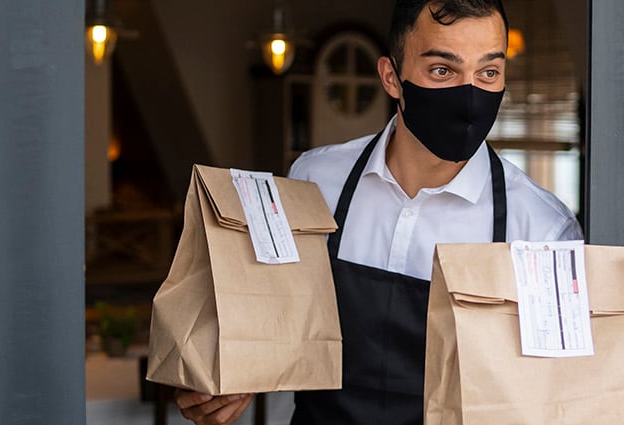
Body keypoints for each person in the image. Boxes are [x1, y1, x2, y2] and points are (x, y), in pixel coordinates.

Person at [176, 1, 581, 424]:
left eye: (488, 73)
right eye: (443, 70)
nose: (470, 94)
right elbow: (271, 319)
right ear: (391, 77)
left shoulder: (542, 227)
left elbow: (555, 395)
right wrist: (229, 375)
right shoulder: (313, 180)